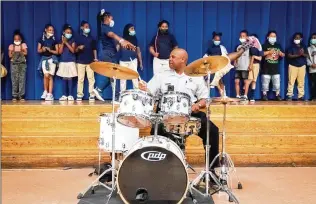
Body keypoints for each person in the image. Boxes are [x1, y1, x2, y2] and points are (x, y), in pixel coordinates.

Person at [138, 42, 254, 171]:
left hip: (190, 111)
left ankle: (211, 170)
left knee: (212, 130)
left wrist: (198, 105)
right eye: (170, 57)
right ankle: (160, 169)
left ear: (183, 60)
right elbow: (150, 92)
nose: (169, 59)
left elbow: (205, 98)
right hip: (165, 113)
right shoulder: (161, 75)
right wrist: (144, 89)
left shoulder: (195, 76)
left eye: (173, 57)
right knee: (156, 129)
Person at [93, 9, 136, 102]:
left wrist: (128, 44)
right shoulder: (105, 27)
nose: (112, 20)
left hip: (110, 54)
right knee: (113, 75)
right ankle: (101, 90)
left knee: (112, 76)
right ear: (107, 18)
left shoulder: (105, 28)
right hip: (108, 54)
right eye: (111, 18)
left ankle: (112, 96)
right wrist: (121, 41)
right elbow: (112, 35)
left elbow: (117, 41)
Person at [76, 21, 97, 101]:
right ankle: (79, 95)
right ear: (82, 28)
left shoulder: (92, 38)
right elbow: (75, 50)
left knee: (91, 79)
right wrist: (78, 48)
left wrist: (95, 58)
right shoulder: (78, 38)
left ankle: (91, 94)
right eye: (86, 27)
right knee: (80, 79)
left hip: (90, 61)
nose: (87, 28)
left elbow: (94, 49)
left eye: (88, 27)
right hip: (80, 61)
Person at [118, 23, 143, 92]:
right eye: (131, 29)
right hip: (123, 61)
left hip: (133, 60)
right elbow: (117, 49)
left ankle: (136, 92)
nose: (133, 30)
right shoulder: (122, 39)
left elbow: (138, 51)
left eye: (133, 29)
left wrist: (140, 62)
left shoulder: (135, 39)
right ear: (127, 30)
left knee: (134, 77)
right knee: (123, 78)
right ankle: (122, 94)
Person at [261, 30, 285, 101]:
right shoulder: (264, 45)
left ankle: (277, 95)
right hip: (266, 68)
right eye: (271, 36)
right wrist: (269, 52)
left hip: (275, 68)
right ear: (268, 37)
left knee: (277, 83)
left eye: (274, 36)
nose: (273, 37)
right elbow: (261, 54)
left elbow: (283, 55)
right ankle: (264, 95)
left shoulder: (278, 46)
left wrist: (281, 54)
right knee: (265, 82)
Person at [37, 24, 59, 101]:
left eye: (52, 30)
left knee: (50, 76)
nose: (51, 31)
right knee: (45, 75)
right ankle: (45, 91)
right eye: (50, 30)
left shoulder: (54, 40)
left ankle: (50, 94)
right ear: (45, 30)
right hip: (44, 59)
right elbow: (38, 50)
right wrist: (42, 50)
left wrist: (50, 50)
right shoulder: (41, 39)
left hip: (52, 59)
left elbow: (57, 51)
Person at [56, 24, 77, 101]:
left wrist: (67, 43)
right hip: (63, 61)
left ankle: (70, 95)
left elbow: (73, 50)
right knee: (64, 78)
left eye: (70, 32)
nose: (69, 34)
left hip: (71, 61)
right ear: (64, 33)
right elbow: (60, 52)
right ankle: (64, 95)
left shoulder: (73, 40)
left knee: (70, 78)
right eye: (67, 32)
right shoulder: (60, 41)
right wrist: (63, 43)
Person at [203, 31, 228, 96]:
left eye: (218, 40)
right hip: (213, 68)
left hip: (220, 67)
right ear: (213, 40)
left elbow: (226, 57)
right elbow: (205, 57)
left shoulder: (222, 48)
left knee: (221, 81)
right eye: (216, 40)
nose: (217, 41)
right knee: (213, 81)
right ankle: (210, 96)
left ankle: (223, 95)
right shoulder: (210, 49)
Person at [286, 32, 308, 101]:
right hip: (293, 66)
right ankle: (289, 95)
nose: (296, 39)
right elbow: (289, 55)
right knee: (291, 81)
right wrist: (298, 54)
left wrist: (302, 54)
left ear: (301, 39)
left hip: (302, 66)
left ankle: (300, 96)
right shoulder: (291, 47)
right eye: (295, 38)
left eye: (298, 38)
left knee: (301, 82)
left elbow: (307, 55)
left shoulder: (304, 46)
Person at [8, 30, 27, 101]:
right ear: (13, 40)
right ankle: (14, 95)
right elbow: (10, 55)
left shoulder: (23, 45)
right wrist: (16, 52)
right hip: (14, 64)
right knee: (14, 80)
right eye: (15, 39)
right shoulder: (11, 46)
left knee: (22, 79)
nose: (17, 40)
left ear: (21, 39)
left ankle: (21, 95)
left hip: (22, 64)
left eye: (18, 39)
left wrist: (17, 52)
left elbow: (26, 53)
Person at [234, 30, 251, 100]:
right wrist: (235, 62)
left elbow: (251, 56)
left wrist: (250, 65)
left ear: (247, 37)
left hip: (245, 66)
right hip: (238, 67)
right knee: (236, 81)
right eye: (241, 36)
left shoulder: (249, 46)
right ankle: (237, 95)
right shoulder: (238, 46)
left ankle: (245, 95)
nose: (242, 37)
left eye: (243, 36)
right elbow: (235, 55)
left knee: (245, 82)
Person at [247, 34, 263, 102]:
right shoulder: (248, 47)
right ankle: (245, 94)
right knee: (248, 79)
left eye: (254, 39)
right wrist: (250, 62)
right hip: (248, 65)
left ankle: (252, 96)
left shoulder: (259, 48)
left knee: (254, 80)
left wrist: (254, 57)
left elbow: (260, 58)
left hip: (256, 65)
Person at [307, 33, 316, 101]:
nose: (314, 39)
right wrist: (311, 64)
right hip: (312, 69)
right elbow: (306, 58)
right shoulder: (308, 49)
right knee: (313, 84)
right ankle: (313, 97)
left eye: (315, 38)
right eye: (312, 38)